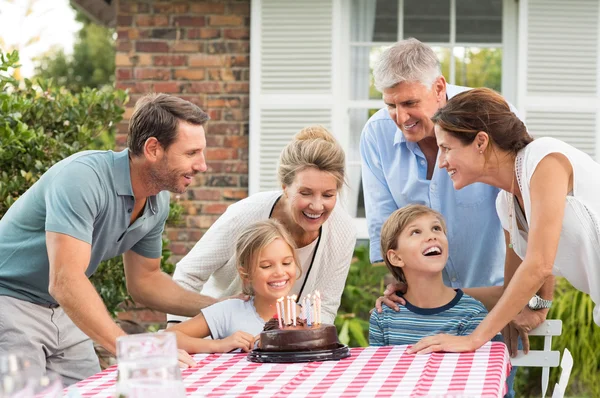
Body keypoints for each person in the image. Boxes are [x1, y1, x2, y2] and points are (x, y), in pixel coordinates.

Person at [0, 93, 218, 384]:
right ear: (153, 148)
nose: (202, 165)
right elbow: (65, 280)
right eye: (191, 153)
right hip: (9, 302)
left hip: (60, 309)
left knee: (94, 390)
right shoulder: (82, 178)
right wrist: (130, 348)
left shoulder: (156, 201)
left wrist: (218, 307)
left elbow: (146, 281)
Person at [409, 87, 600, 355]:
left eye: (446, 148)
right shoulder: (507, 204)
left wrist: (474, 339)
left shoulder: (544, 159)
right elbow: (515, 286)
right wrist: (418, 295)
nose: (441, 162)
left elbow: (539, 265)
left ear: (480, 142)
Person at [168, 126, 356, 326]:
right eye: (306, 193)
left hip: (286, 346)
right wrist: (179, 335)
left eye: (328, 195)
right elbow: (187, 275)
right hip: (217, 341)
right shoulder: (246, 214)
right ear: (285, 188)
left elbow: (325, 308)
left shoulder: (342, 232)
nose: (317, 206)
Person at [369, 205, 494, 346]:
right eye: (416, 232)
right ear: (396, 258)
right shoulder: (383, 318)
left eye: (436, 228)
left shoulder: (472, 313)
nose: (432, 236)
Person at [171, 219, 301, 354]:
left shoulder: (309, 319)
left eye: (286, 263)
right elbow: (167, 338)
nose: (280, 272)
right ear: (246, 274)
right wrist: (218, 345)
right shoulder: (228, 312)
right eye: (266, 266)